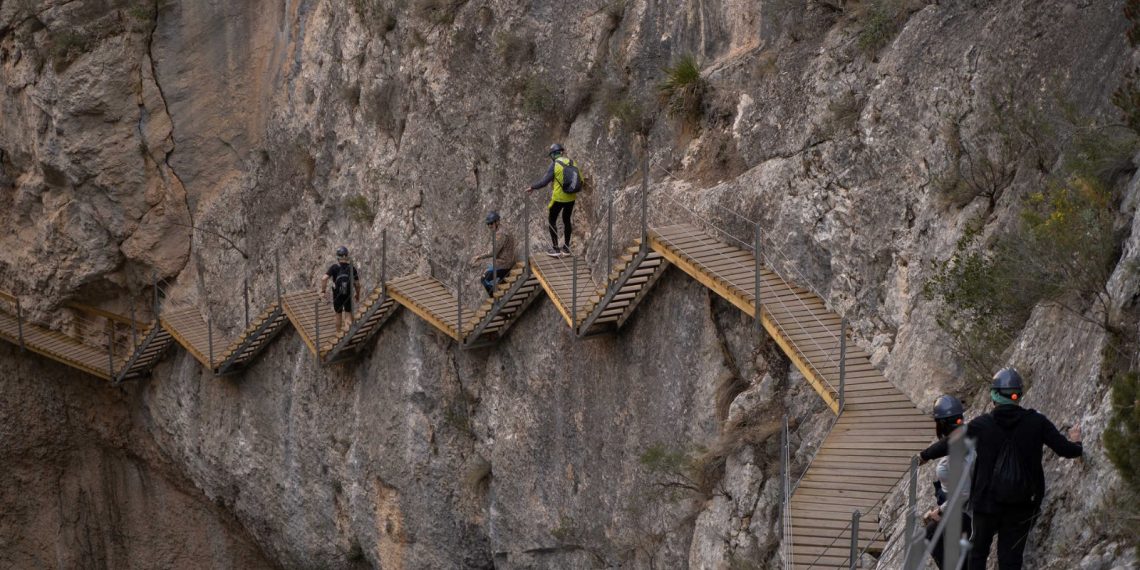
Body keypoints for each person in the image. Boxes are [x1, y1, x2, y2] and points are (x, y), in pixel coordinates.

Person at [920, 368, 1082, 570]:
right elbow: (1065, 450)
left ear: (993, 395)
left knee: (977, 556)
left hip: (987, 505)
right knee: (1010, 559)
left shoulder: (982, 425)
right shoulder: (1037, 422)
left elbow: (950, 444)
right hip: (1022, 504)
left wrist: (924, 456)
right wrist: (1076, 443)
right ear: (1018, 395)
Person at [923, 395, 974, 569]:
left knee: (931, 533)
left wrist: (939, 511)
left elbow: (964, 493)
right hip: (973, 508)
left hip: (971, 512)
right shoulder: (970, 436)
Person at [523, 143, 578, 258]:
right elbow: (580, 179)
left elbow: (544, 182)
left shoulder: (555, 164)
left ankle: (556, 248)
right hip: (571, 197)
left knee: (552, 220)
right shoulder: (572, 162)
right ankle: (566, 249)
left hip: (558, 198)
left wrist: (532, 187)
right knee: (567, 220)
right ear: (562, 152)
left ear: (553, 155)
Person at [470, 211, 517, 296]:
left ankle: (496, 299)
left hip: (504, 265)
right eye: (488, 224)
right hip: (504, 262)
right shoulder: (502, 230)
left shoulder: (501, 234)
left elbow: (493, 253)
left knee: (484, 279)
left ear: (497, 222)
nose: (489, 226)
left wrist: (479, 257)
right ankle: (500, 287)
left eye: (491, 223)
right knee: (489, 272)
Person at [320, 246, 361, 333]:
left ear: (337, 256)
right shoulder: (352, 268)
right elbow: (357, 284)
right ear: (346, 256)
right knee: (348, 315)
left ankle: (338, 334)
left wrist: (323, 291)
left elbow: (324, 278)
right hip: (348, 294)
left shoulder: (334, 267)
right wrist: (357, 294)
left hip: (337, 294)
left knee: (338, 315)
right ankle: (348, 336)